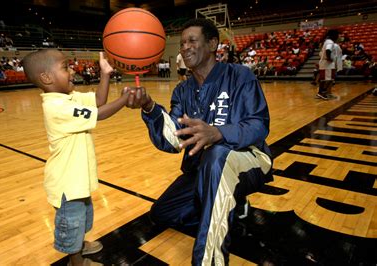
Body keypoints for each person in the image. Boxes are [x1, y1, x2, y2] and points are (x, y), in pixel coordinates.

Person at [126, 18, 273, 265]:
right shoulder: (182, 91)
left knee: (218, 156)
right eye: (182, 43)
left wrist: (218, 133)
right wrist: (150, 107)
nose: (184, 48)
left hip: (250, 158)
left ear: (213, 44)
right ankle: (229, 206)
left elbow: (259, 125)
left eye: (192, 41)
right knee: (163, 213)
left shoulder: (241, 76)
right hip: (203, 169)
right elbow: (173, 140)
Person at [22, 49, 130, 266]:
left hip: (76, 180)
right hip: (66, 184)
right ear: (46, 77)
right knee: (71, 226)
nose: (72, 71)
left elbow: (99, 101)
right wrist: (125, 99)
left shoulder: (68, 98)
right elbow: (100, 114)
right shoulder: (56, 106)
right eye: (65, 67)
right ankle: (76, 261)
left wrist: (105, 74)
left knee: (81, 220)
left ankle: (79, 246)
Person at [316, 29, 340, 100]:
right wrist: (330, 58)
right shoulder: (330, 42)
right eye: (337, 35)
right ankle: (321, 93)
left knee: (327, 79)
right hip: (327, 63)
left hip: (326, 63)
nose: (338, 36)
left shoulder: (327, 41)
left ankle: (322, 93)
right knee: (327, 79)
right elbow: (328, 51)